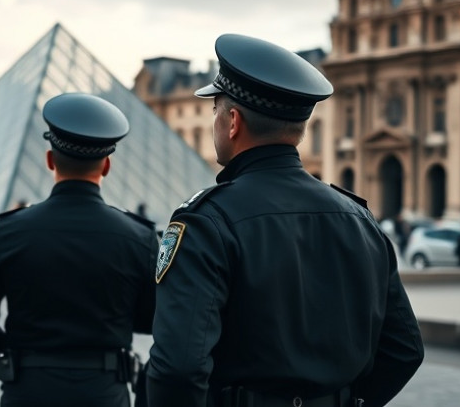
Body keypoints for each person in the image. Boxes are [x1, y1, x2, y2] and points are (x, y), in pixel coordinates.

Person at [146, 34, 424, 407]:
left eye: (215, 110)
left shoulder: (206, 222)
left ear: (232, 121)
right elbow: (405, 349)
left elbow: (178, 369)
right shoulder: (360, 219)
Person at [0, 92, 158, 407]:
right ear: (106, 166)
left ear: (50, 160)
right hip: (104, 392)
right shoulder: (139, 236)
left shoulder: (11, 231)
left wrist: (16, 355)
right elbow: (153, 319)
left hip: (28, 391)